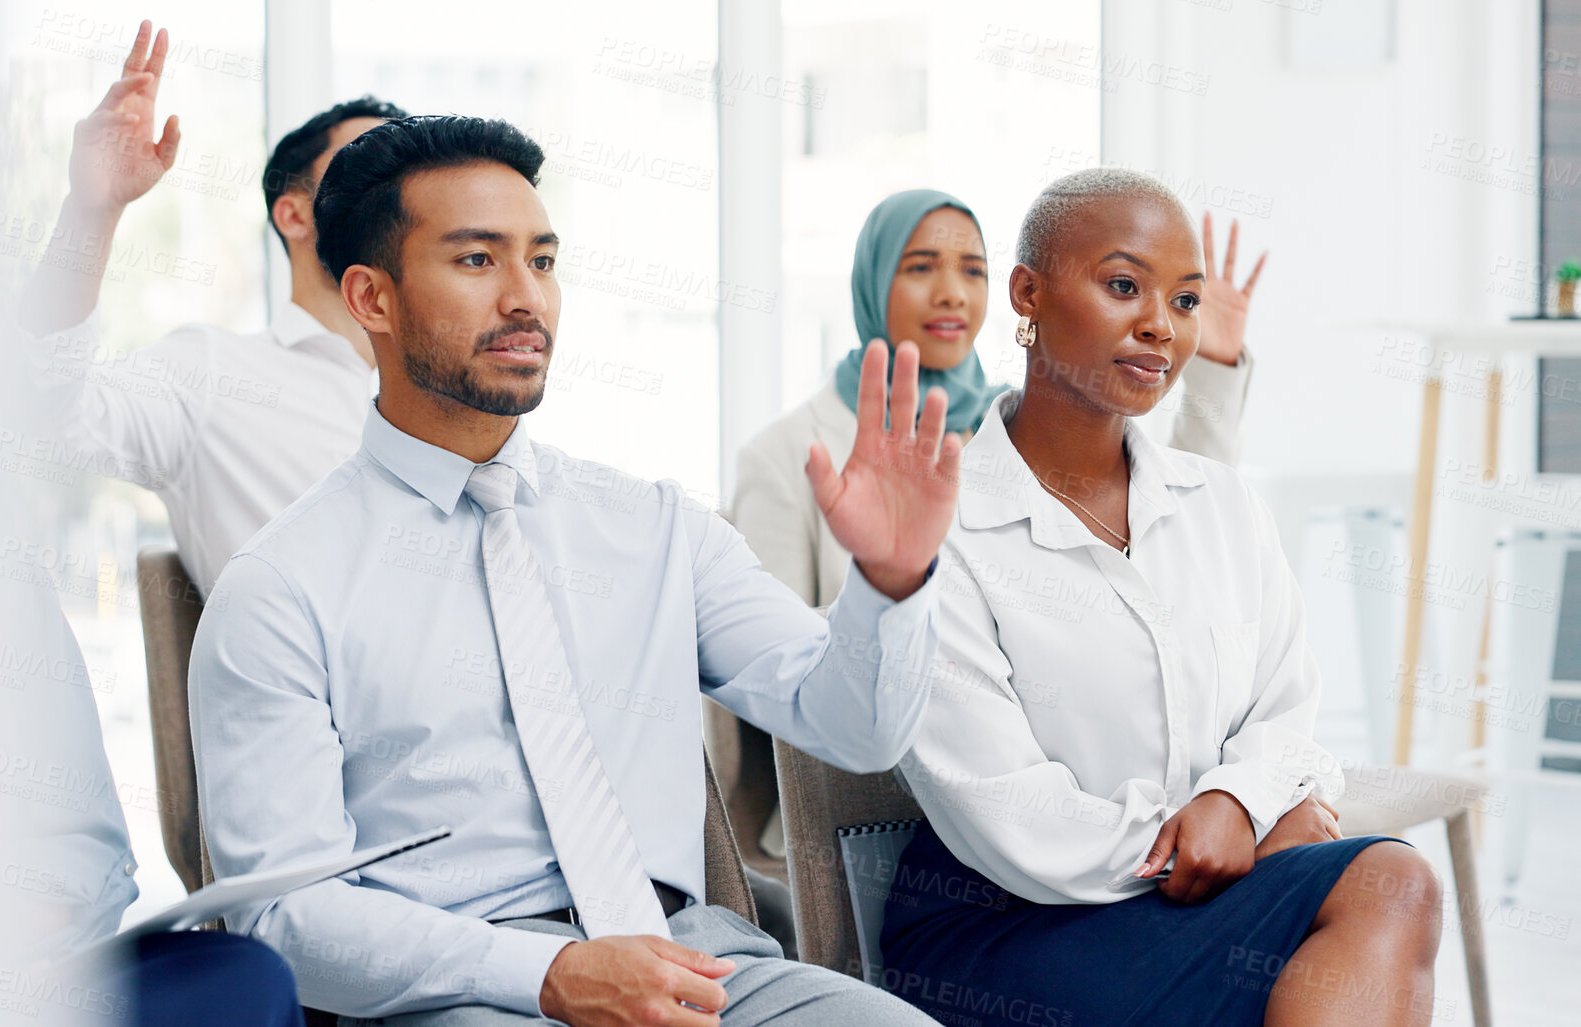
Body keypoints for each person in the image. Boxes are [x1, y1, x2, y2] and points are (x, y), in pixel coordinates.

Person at [189, 114, 958, 1025]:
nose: (527, 298)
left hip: (701, 967)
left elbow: (856, 730)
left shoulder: (658, 527)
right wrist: (548, 970)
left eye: (543, 261)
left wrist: (889, 583)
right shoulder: (282, 586)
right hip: (456, 990)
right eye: (478, 261)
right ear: (370, 298)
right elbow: (281, 917)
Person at [879, 169, 1442, 1027]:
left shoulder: (1219, 503)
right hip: (1008, 927)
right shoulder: (940, 525)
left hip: (1192, 898)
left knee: (1386, 891)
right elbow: (1010, 808)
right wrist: (1233, 832)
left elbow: (1284, 711)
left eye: (1183, 300)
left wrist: (1233, 803)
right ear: (1026, 293)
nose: (1158, 324)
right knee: (1385, 886)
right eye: (1121, 286)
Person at [16, 19, 409, 593]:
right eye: (369, 171)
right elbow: (43, 403)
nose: (398, 194)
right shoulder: (210, 376)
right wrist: (91, 211)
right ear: (295, 214)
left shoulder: (447, 379)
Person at [732, 188, 1263, 613]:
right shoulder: (782, 455)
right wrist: (891, 589)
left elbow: (1171, 521)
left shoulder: (1023, 425)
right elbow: (766, 673)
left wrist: (1214, 370)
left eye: (972, 270)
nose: (952, 294)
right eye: (920, 267)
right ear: (872, 280)